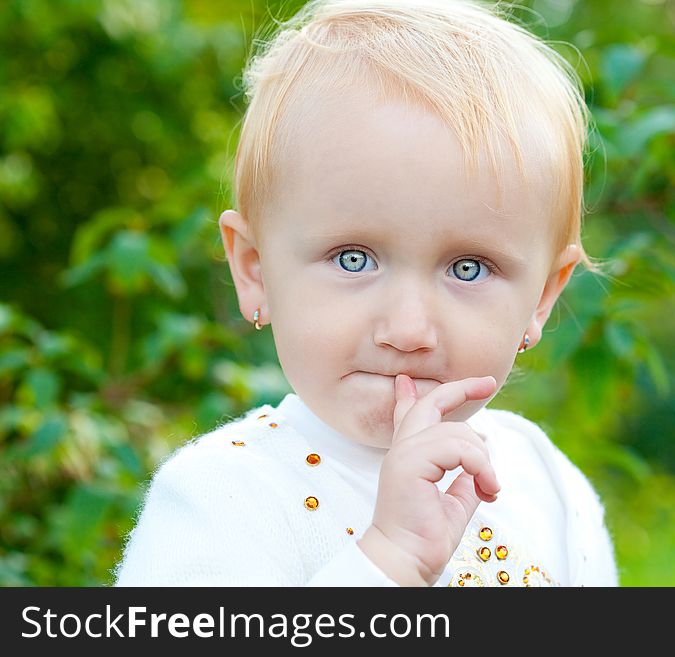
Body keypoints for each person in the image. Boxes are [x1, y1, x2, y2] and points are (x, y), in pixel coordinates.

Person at [113, 0, 617, 587]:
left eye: (469, 268)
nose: (407, 330)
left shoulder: (546, 485)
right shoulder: (224, 498)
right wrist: (389, 561)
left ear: (541, 298)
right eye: (354, 259)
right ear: (255, 269)